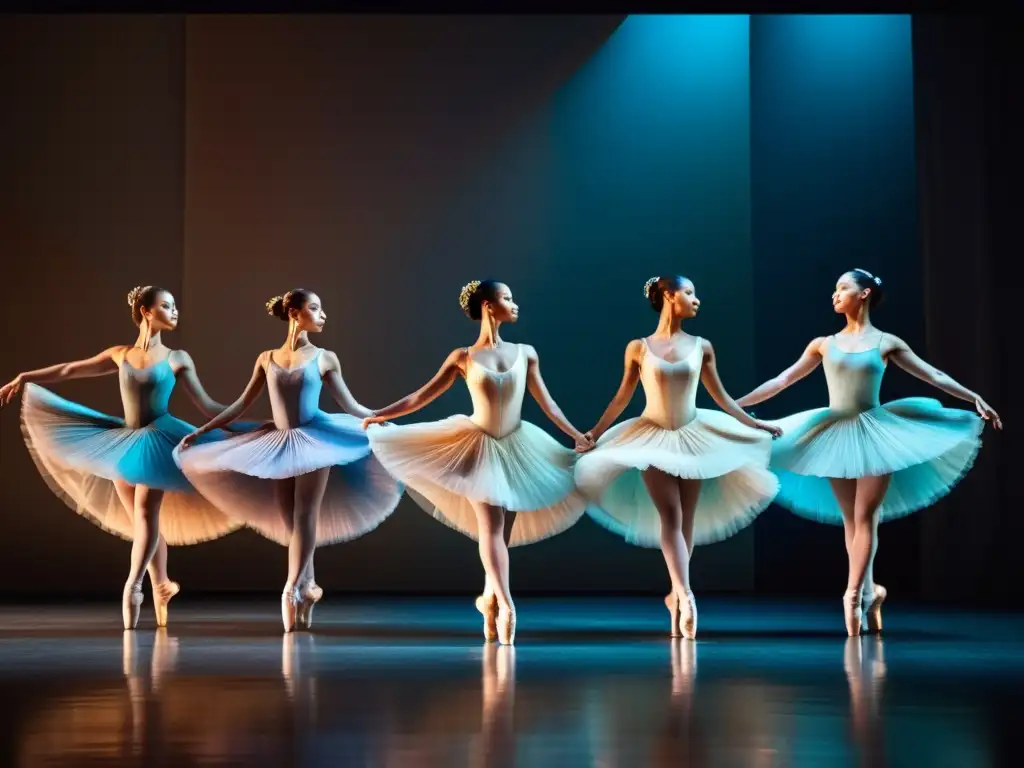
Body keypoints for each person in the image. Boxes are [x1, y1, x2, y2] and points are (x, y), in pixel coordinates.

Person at [736, 269, 1001, 635]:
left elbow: (934, 376)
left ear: (863, 294)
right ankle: (871, 591)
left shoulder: (887, 343)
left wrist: (973, 397)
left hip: (877, 433)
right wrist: (735, 406)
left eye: (843, 287)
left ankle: (853, 593)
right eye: (834, 289)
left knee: (866, 517)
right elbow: (782, 380)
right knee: (852, 521)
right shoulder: (823, 344)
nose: (835, 294)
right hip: (833, 435)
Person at [0, 286, 251, 629]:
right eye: (166, 305)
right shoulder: (121, 354)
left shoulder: (177, 358)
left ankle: (134, 587)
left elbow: (208, 406)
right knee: (142, 523)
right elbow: (70, 370)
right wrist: (24, 376)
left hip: (161, 440)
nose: (175, 311)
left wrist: (252, 421)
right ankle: (162, 584)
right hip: (124, 441)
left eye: (175, 306)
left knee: (146, 513)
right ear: (146, 311)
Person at [362, 280, 593, 645]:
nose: (515, 304)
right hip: (477, 447)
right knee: (490, 529)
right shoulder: (463, 357)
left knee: (502, 533)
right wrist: (379, 414)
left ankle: (488, 599)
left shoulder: (526, 353)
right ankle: (505, 603)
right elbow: (421, 395)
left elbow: (548, 404)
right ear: (488, 306)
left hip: (520, 449)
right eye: (507, 299)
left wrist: (576, 435)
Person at [176, 289, 403, 632]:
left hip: (316, 440)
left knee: (304, 512)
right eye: (315, 308)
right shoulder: (266, 358)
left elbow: (351, 405)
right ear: (295, 314)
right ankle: (308, 586)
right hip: (279, 442)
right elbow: (240, 405)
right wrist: (203, 430)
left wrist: (380, 419)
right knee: (289, 521)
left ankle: (292, 588)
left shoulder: (325, 358)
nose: (323, 314)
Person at [575, 275, 781, 640]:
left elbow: (720, 396)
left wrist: (755, 422)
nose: (696, 299)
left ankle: (675, 592)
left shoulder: (703, 346)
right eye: (689, 293)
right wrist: (594, 431)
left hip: (693, 437)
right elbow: (623, 396)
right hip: (651, 438)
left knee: (686, 519)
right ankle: (686, 595)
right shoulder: (638, 347)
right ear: (669, 296)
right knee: (670, 515)